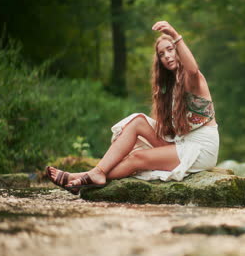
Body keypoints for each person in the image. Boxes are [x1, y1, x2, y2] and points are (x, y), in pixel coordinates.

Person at [46, 21, 219, 194]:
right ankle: (95, 173)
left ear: (178, 50)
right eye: (161, 53)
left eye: (170, 49)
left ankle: (82, 177)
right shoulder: (171, 88)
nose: (166, 55)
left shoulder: (193, 80)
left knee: (137, 158)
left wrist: (175, 35)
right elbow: (170, 131)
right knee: (138, 121)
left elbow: (193, 70)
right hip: (181, 143)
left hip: (201, 148)